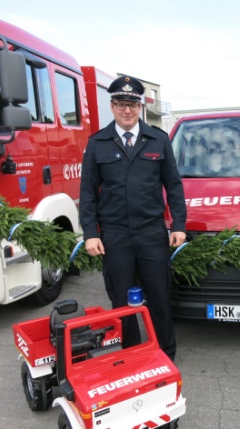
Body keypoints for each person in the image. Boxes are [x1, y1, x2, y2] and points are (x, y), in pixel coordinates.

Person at [79, 75, 187, 361]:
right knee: (122, 301)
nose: (127, 110)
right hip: (115, 235)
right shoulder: (98, 143)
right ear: (112, 106)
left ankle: (165, 355)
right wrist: (90, 232)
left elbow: (173, 186)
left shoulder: (158, 140)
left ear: (140, 107)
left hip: (151, 232)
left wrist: (178, 225)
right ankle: (132, 355)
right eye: (121, 104)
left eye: (133, 104)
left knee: (159, 298)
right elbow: (87, 192)